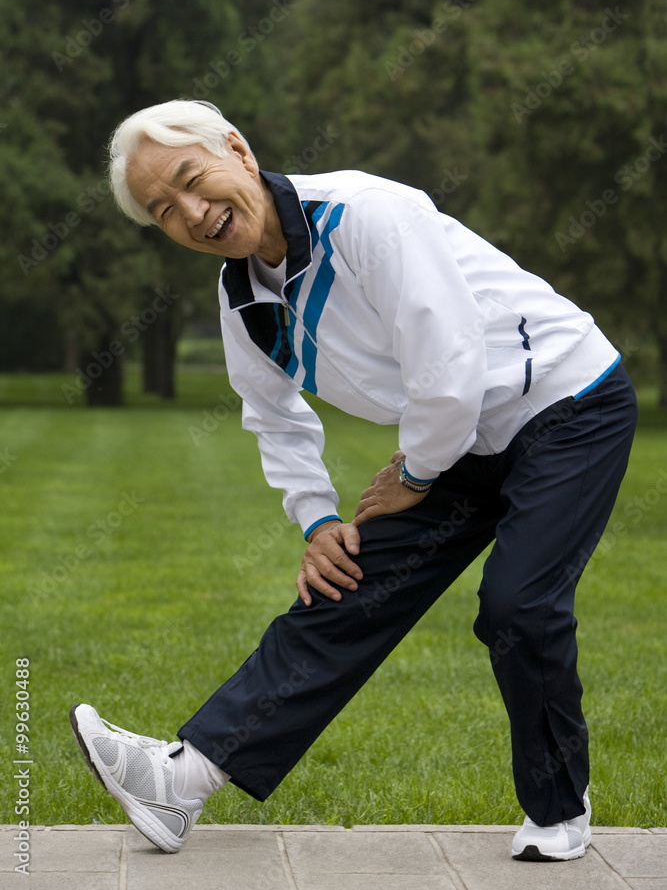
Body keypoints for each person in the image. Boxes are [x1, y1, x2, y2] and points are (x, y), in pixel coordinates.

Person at [70, 99, 637, 862]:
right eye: (165, 211)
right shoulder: (243, 301)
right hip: (452, 438)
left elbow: (451, 360)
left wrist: (414, 471)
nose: (194, 213)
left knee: (518, 604)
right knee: (342, 584)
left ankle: (558, 809)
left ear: (236, 148)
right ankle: (182, 782)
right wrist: (316, 520)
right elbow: (272, 416)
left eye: (191, 180)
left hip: (567, 401)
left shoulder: (368, 213)